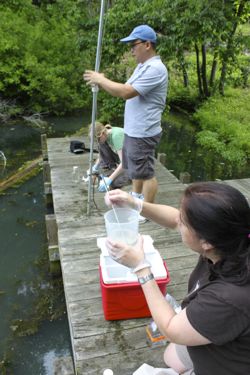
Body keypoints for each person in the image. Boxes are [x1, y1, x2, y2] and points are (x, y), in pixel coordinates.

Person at [105, 182, 250, 375]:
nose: (177, 221)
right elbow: (174, 219)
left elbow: (171, 329)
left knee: (176, 345)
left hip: (231, 364)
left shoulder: (228, 297)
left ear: (206, 242)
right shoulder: (231, 241)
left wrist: (140, 268)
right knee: (170, 357)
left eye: (184, 222)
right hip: (223, 327)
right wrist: (135, 204)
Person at [83, 24, 168, 203]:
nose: (131, 51)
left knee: (146, 174)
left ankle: (146, 209)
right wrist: (103, 82)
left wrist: (101, 79)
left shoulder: (155, 69)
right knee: (136, 169)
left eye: (133, 45)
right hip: (133, 130)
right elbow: (123, 88)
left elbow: (127, 92)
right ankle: (136, 198)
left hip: (143, 131)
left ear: (147, 45)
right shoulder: (142, 67)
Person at [86, 122, 129, 192]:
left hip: (134, 162)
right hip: (123, 160)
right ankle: (113, 168)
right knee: (101, 145)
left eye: (98, 139)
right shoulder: (106, 136)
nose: (98, 142)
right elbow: (100, 154)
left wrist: (110, 179)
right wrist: (94, 167)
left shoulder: (116, 136)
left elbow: (124, 162)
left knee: (113, 183)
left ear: (102, 133)